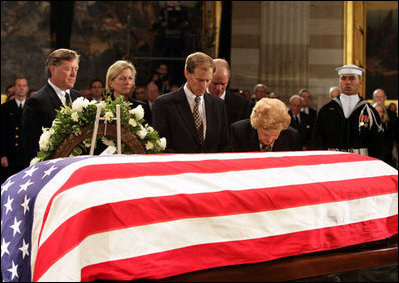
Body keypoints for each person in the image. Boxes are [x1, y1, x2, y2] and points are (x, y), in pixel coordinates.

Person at [152, 51, 230, 153]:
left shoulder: (218, 105)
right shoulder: (164, 104)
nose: (204, 86)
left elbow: (224, 145)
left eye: (208, 80)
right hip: (179, 167)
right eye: (200, 80)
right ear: (187, 74)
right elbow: (160, 146)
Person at [22, 48, 83, 166]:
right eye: (68, 69)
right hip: (49, 169)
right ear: (53, 69)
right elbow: (30, 147)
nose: (73, 74)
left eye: (76, 69)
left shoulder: (79, 98)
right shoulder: (37, 101)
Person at [312, 64, 385, 159]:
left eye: (352, 78)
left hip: (361, 164)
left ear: (360, 82)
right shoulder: (326, 110)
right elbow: (316, 140)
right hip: (332, 163)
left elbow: (378, 144)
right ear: (339, 82)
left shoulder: (370, 111)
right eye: (344, 78)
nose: (347, 82)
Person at [230, 98, 301, 152]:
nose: (269, 140)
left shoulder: (292, 137)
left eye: (275, 135)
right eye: (266, 135)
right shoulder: (239, 132)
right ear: (256, 126)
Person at [104, 60, 151, 124]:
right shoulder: (102, 108)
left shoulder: (142, 107)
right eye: (122, 78)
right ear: (111, 83)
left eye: (130, 78)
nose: (127, 82)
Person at [1, 76, 29, 183]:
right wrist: (2, 155)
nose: (21, 88)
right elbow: (2, 133)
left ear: (27, 88)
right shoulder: (5, 108)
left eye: (24, 85)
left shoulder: (32, 106)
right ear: (14, 88)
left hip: (27, 154)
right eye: (19, 85)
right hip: (10, 154)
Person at [207, 58, 251, 126]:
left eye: (223, 84)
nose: (219, 88)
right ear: (207, 78)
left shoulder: (242, 105)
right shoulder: (196, 99)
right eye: (215, 83)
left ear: (228, 78)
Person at [372, 102, 396, 167]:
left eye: (380, 111)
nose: (377, 113)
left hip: (385, 159)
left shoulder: (387, 127)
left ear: (383, 114)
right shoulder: (367, 127)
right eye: (375, 111)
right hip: (371, 158)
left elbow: (389, 144)